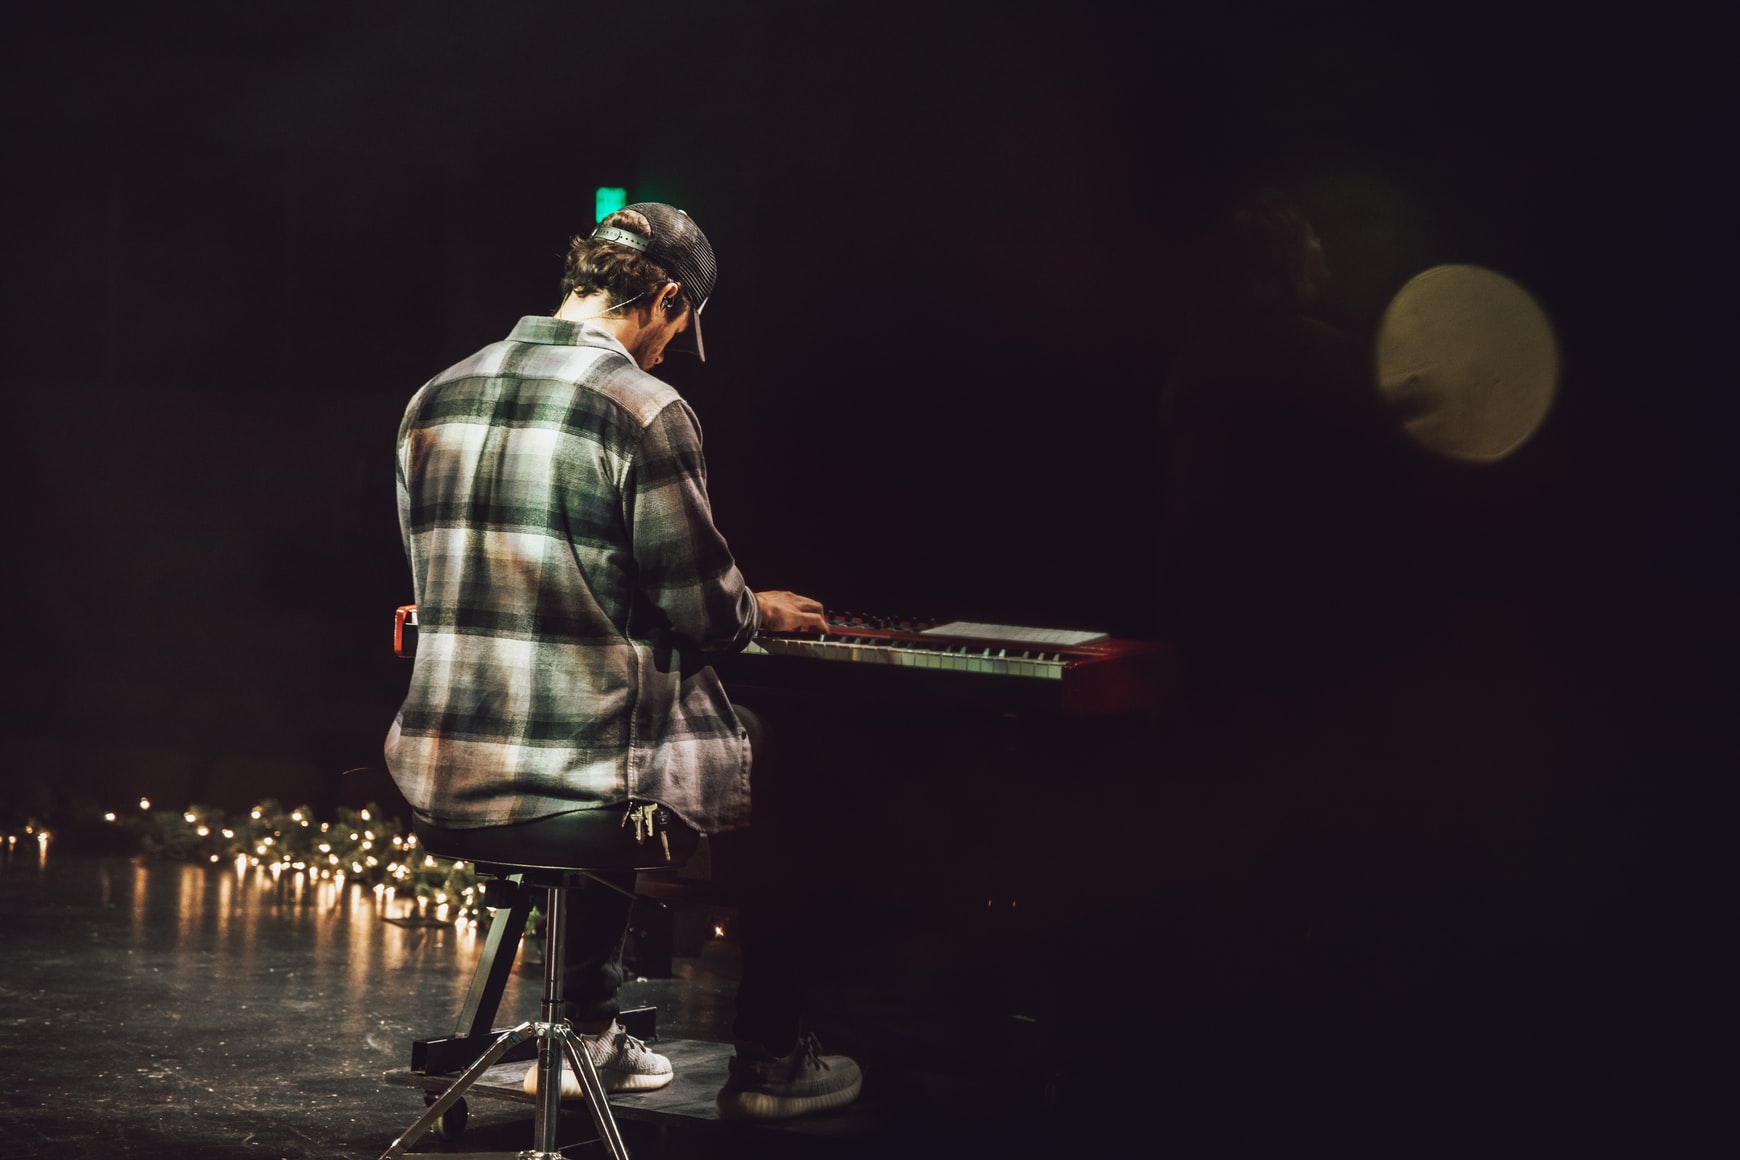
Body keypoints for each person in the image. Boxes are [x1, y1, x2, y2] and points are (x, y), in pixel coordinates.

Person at [383, 202, 863, 1121]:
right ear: (669, 298)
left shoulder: (434, 394)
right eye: (679, 329)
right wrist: (764, 609)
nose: (670, 351)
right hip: (582, 779)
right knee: (793, 768)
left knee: (614, 710)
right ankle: (771, 1062)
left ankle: (592, 1028)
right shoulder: (644, 408)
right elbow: (707, 613)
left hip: (444, 770)